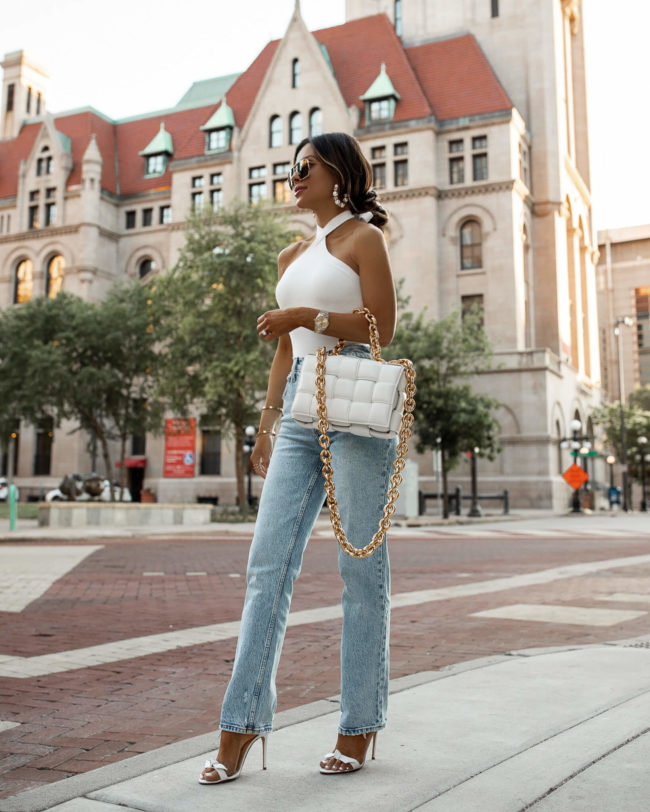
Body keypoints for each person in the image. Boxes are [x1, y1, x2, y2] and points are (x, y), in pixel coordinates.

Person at [199, 131, 397, 785]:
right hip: (298, 412)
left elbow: (382, 327)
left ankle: (358, 724)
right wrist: (265, 424)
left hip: (356, 404)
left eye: (305, 165)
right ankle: (240, 727)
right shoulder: (291, 253)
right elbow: (286, 349)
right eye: (291, 166)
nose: (294, 175)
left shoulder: (364, 239)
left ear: (339, 172)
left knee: (360, 570)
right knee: (267, 568)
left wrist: (307, 314)